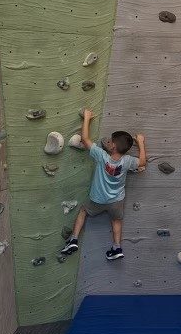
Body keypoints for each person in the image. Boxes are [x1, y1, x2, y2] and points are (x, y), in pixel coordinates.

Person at [60, 109, 146, 260]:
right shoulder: (127, 161)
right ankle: (117, 247)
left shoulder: (101, 156)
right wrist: (140, 143)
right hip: (116, 201)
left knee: (83, 211)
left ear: (112, 146)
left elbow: (85, 139)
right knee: (116, 220)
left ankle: (73, 239)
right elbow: (142, 162)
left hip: (97, 199)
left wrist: (86, 118)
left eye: (110, 141)